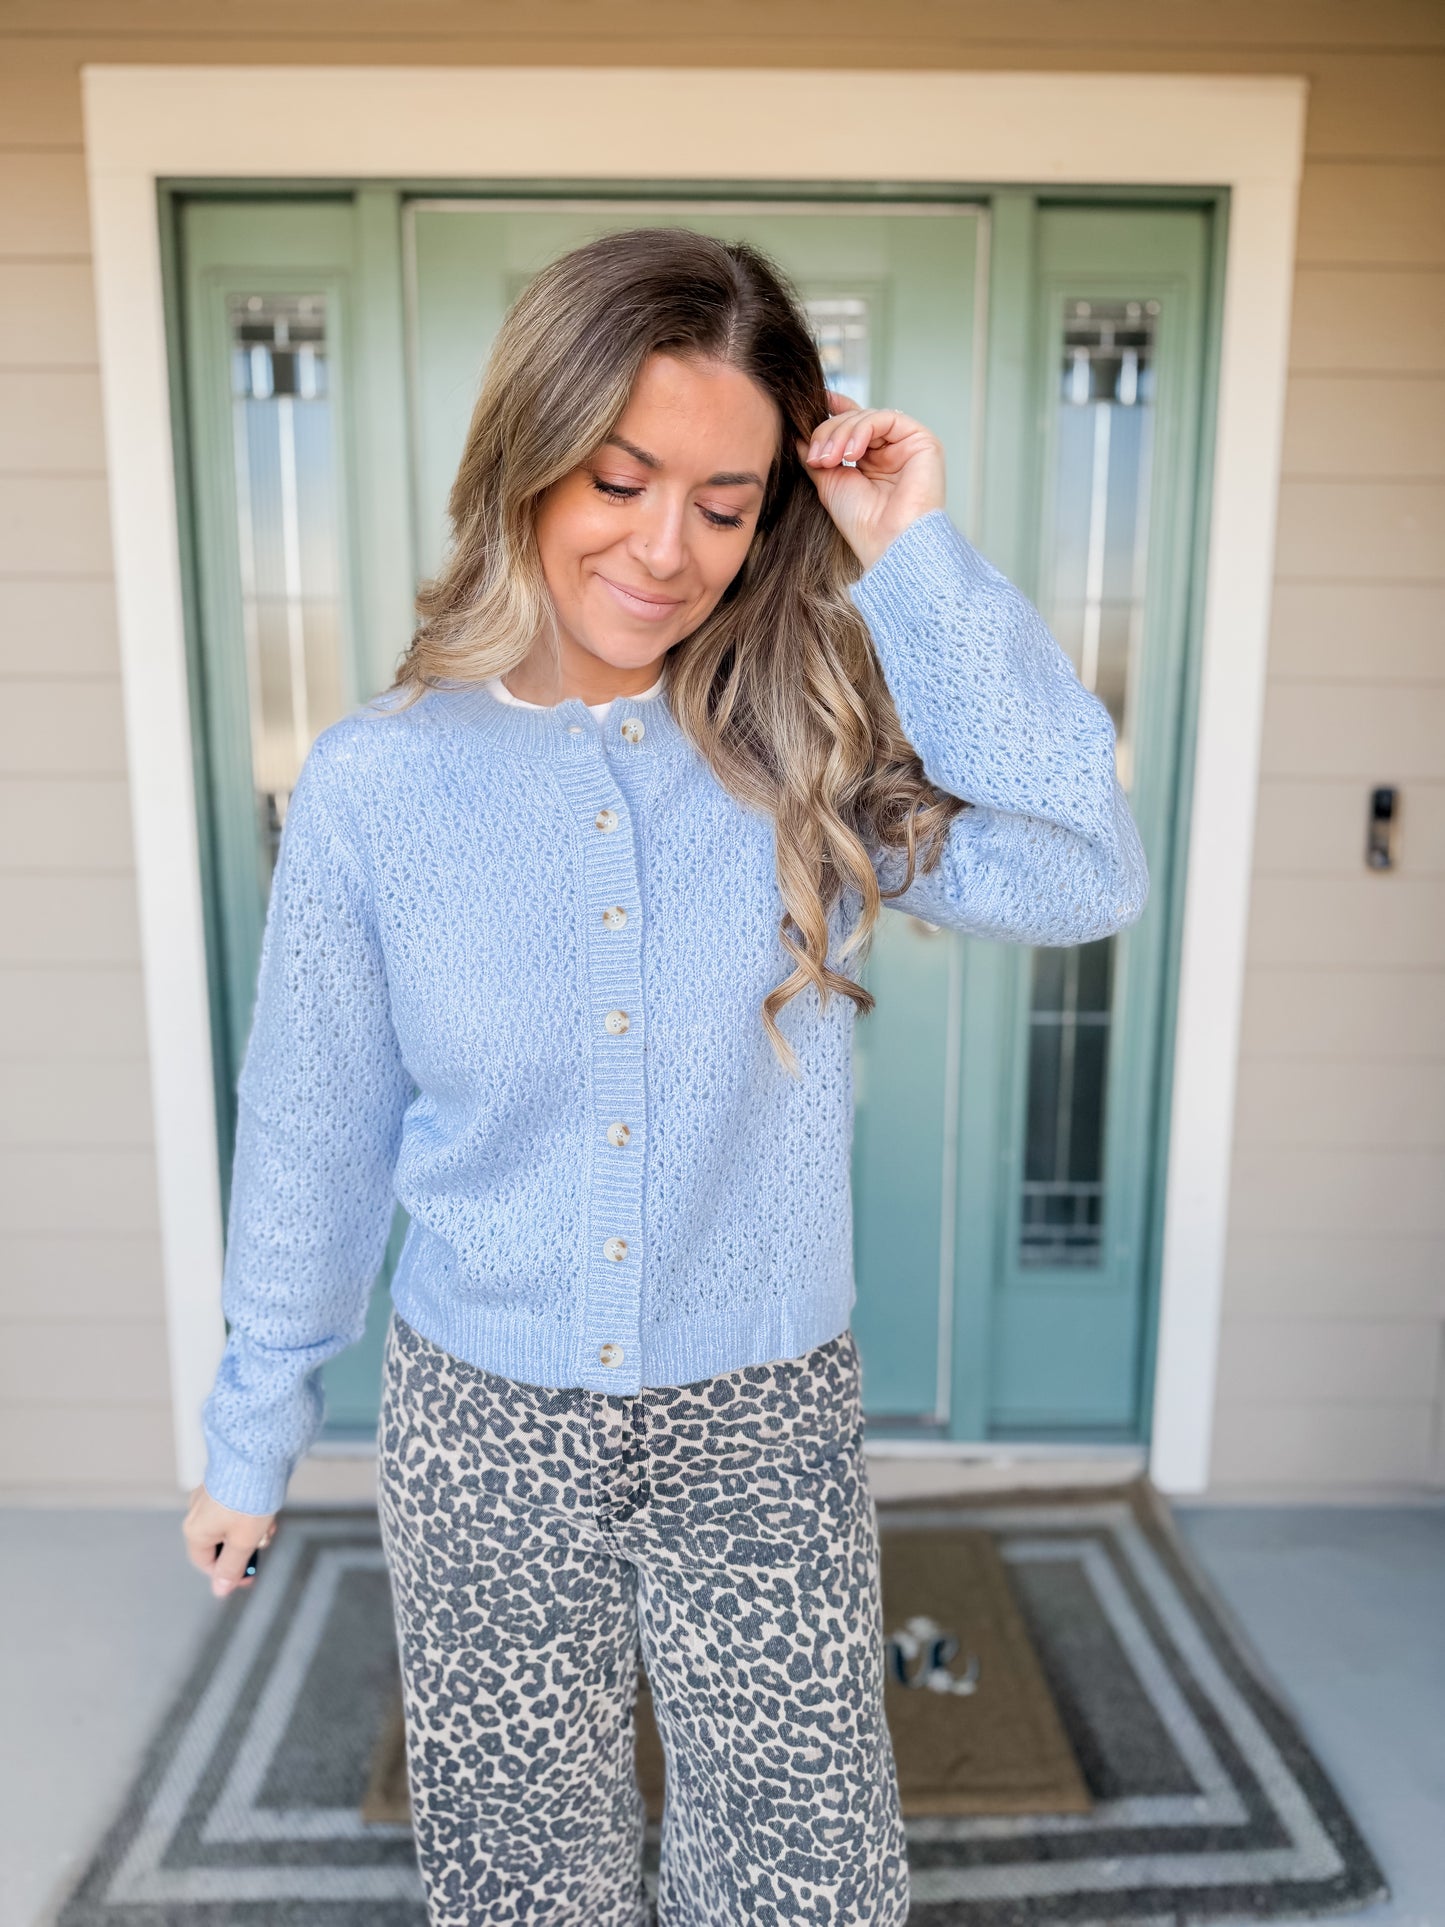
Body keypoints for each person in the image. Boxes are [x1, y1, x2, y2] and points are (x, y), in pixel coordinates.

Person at [182, 226, 1148, 1926]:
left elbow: (1083, 869)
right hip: (483, 1424)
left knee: (803, 1880)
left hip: (759, 1420)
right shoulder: (375, 788)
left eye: (724, 500)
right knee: (518, 1878)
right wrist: (256, 1419)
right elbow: (317, 1129)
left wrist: (910, 557)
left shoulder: (807, 752)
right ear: (528, 455)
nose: (664, 547)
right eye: (620, 478)